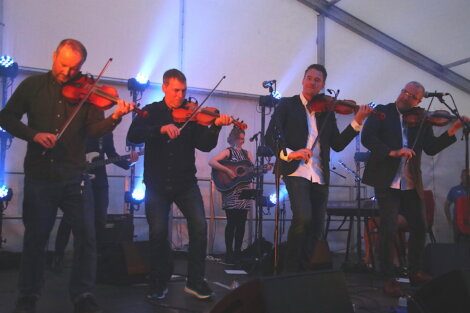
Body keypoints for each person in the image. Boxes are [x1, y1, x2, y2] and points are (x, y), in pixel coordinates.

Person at [0, 39, 134, 313]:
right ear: (54, 56)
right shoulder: (32, 86)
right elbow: (6, 117)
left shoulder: (88, 93)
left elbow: (95, 130)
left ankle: (83, 294)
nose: (67, 72)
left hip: (75, 176)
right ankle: (28, 294)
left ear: (82, 67)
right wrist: (33, 134)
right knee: (36, 237)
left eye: (74, 68)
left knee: (87, 237)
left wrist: (116, 116)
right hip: (40, 175)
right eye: (63, 64)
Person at [126, 69, 232, 300]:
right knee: (158, 233)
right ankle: (158, 282)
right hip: (156, 183)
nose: (180, 95)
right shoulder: (151, 111)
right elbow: (133, 135)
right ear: (164, 87)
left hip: (185, 183)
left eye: (183, 91)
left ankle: (194, 282)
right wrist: (159, 129)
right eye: (176, 90)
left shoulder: (192, 116)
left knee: (200, 228)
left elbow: (205, 145)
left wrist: (216, 126)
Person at [361, 81, 467, 297]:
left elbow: (431, 148)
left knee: (420, 226)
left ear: (419, 101)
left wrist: (454, 129)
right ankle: (388, 278)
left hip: (410, 183)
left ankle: (415, 271)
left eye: (412, 96)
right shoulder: (382, 112)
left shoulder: (421, 120)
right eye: (404, 92)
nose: (406, 97)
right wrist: (392, 152)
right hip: (386, 181)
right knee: (388, 228)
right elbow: (367, 138)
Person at [265, 64, 371, 273]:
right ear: (303, 80)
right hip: (296, 170)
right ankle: (289, 272)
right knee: (303, 217)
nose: (312, 82)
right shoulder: (287, 105)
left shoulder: (327, 112)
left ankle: (303, 271)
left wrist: (357, 121)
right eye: (309, 78)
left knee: (316, 229)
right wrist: (290, 153)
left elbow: (338, 143)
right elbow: (271, 136)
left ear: (323, 84)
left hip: (320, 175)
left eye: (318, 80)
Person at [52, 133, 140, 271]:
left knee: (100, 219)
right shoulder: (78, 127)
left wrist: (129, 162)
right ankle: (58, 256)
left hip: (99, 182)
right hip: (77, 179)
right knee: (70, 218)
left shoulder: (105, 132)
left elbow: (111, 154)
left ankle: (95, 257)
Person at [209, 127, 254, 265]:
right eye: (240, 138)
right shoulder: (228, 151)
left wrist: (263, 169)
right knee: (232, 223)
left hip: (244, 192)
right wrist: (228, 171)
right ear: (234, 138)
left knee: (241, 224)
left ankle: (237, 253)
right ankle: (229, 253)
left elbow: (251, 172)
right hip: (231, 191)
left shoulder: (248, 154)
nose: (242, 141)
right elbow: (212, 162)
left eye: (243, 138)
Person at [443, 169, 470, 242]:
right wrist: (449, 220)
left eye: (469, 176)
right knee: (457, 243)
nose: (467, 177)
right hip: (458, 222)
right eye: (465, 175)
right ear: (461, 177)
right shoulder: (454, 190)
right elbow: (446, 205)